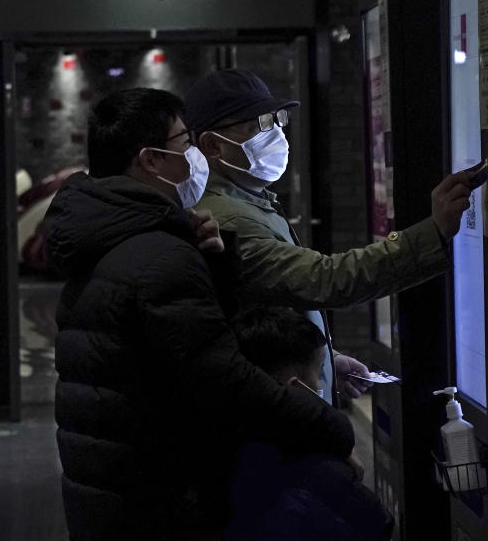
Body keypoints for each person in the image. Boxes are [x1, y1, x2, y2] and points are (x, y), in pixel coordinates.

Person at [44, 88, 356, 540]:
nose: (194, 153)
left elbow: (175, 349)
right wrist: (329, 427)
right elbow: (222, 378)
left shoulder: (112, 236)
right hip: (157, 500)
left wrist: (213, 263)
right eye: (184, 141)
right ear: (150, 160)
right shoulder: (157, 255)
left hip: (115, 489)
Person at [182, 69, 472, 405]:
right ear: (213, 145)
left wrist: (323, 364)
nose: (275, 133)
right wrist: (433, 232)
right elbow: (325, 279)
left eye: (276, 120)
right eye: (256, 126)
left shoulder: (246, 203)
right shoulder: (229, 218)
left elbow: (268, 314)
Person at [228, 307, 394, 541]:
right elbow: (378, 522)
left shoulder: (242, 448)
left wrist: (328, 362)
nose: (325, 380)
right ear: (294, 387)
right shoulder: (326, 471)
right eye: (320, 370)